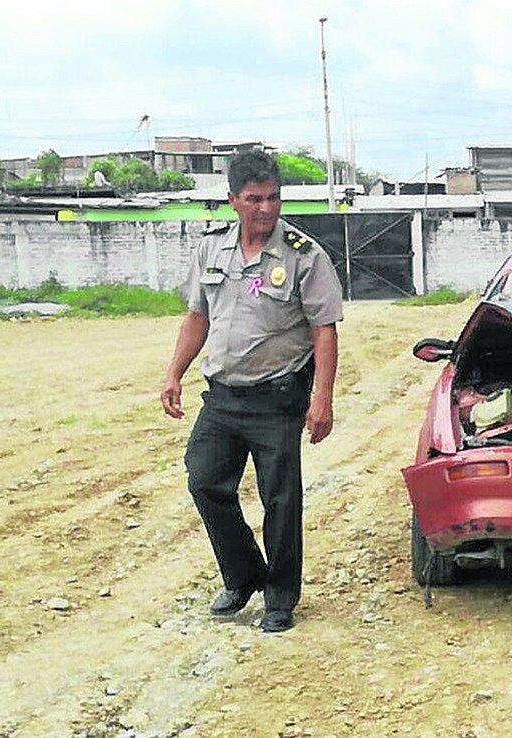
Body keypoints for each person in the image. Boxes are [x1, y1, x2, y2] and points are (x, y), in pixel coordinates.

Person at [160, 150, 343, 633]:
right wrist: (174, 371)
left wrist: (322, 399)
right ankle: (242, 577)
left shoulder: (305, 255)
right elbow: (198, 316)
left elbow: (324, 329)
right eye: (255, 199)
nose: (267, 208)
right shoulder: (211, 251)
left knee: (280, 499)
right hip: (222, 395)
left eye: (274, 198)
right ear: (233, 202)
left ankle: (281, 596)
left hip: (277, 395)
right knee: (204, 481)